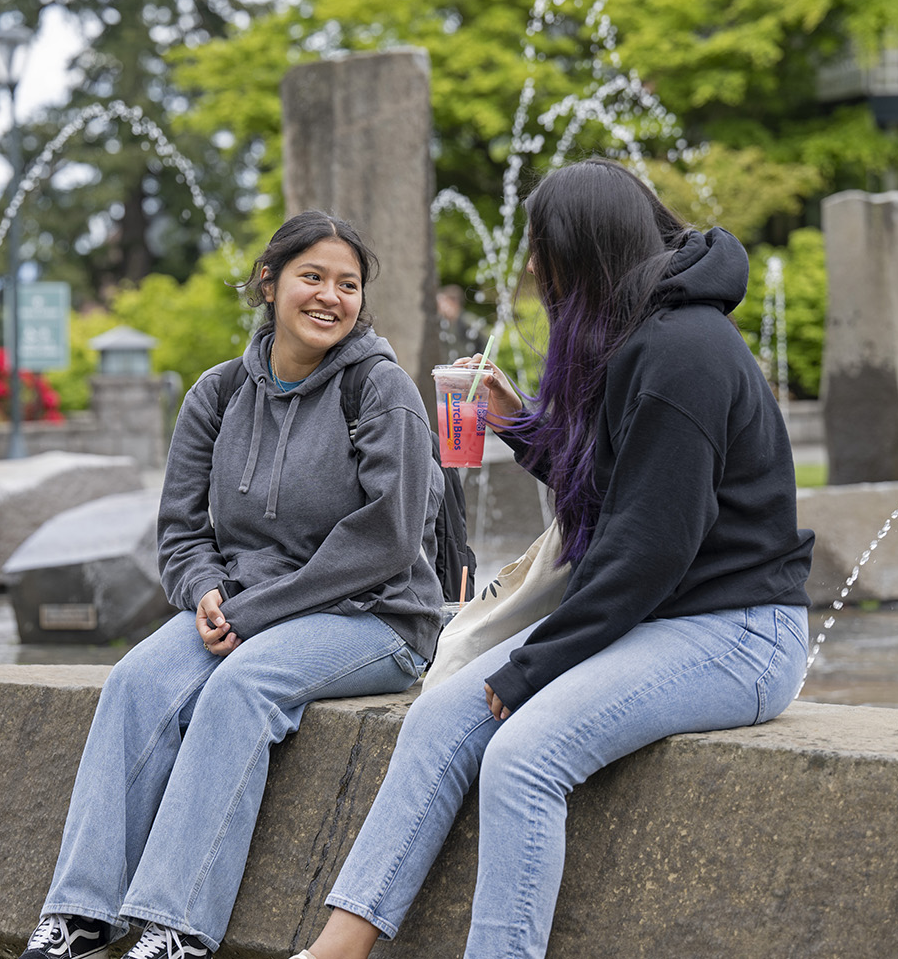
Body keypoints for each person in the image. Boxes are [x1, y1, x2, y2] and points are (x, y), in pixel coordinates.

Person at [289, 158, 816, 959]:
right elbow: (616, 491)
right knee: (437, 716)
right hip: (667, 615)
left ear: (583, 248)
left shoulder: (684, 352)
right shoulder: (643, 333)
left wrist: (530, 668)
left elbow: (648, 549)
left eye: (542, 248)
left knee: (524, 759)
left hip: (738, 630)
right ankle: (338, 946)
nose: (534, 268)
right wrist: (518, 423)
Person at [21, 211, 446, 959]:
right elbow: (181, 533)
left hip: (377, 616)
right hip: (249, 608)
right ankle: (81, 916)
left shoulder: (380, 390)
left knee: (240, 687)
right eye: (312, 276)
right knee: (134, 679)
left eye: (347, 284)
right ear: (269, 282)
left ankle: (177, 927)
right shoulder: (216, 395)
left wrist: (253, 612)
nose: (330, 296)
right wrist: (205, 590)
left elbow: (388, 538)